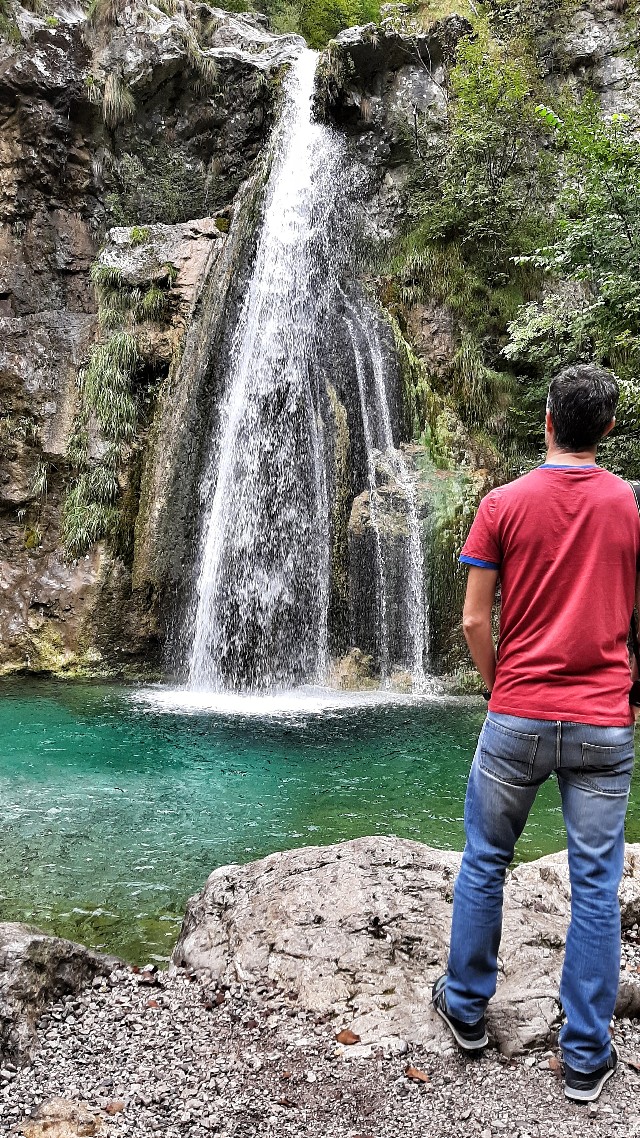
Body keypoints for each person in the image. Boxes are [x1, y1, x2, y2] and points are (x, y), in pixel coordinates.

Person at [431, 363, 639, 1103]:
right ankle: (584, 1056)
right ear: (608, 430)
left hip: (516, 715)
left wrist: (497, 684)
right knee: (594, 887)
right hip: (604, 725)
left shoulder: (503, 504)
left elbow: (472, 619)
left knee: (485, 859)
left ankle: (464, 1011)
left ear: (546, 418)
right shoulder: (632, 508)